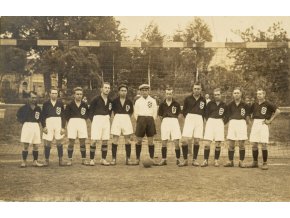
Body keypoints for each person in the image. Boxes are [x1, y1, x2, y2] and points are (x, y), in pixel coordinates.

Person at [248, 88, 280, 170]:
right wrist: (250, 122)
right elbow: (249, 113)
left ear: (264, 94)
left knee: (264, 144)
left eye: (260, 94)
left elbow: (278, 111)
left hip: (263, 124)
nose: (258, 95)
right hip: (255, 123)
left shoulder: (268, 103)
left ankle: (265, 163)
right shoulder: (254, 104)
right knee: (254, 144)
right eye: (257, 94)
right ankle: (255, 162)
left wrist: (270, 120)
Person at [179, 82, 206, 167]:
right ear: (192, 89)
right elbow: (184, 111)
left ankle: (194, 160)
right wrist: (188, 118)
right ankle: (185, 160)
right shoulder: (188, 99)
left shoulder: (203, 100)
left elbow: (204, 111)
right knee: (184, 140)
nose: (196, 90)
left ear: (201, 90)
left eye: (198, 89)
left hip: (199, 119)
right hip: (189, 118)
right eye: (195, 88)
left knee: (197, 141)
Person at [224, 87, 250, 168]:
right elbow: (227, 116)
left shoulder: (245, 105)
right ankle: (230, 161)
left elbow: (247, 116)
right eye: (234, 93)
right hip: (232, 123)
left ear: (241, 94)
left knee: (242, 144)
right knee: (231, 144)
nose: (236, 94)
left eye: (237, 93)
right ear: (233, 94)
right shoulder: (229, 105)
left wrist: (247, 124)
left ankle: (241, 161)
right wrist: (223, 124)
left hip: (241, 123)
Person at [16, 91, 43, 167]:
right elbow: (18, 116)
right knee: (26, 145)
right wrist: (23, 122)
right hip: (27, 125)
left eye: (35, 98)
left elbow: (41, 118)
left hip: (35, 126)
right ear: (28, 98)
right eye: (32, 97)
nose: (34, 99)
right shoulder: (23, 108)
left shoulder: (38, 108)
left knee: (36, 145)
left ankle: (35, 161)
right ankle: (24, 161)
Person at [202, 88, 228, 167]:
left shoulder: (224, 105)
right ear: (213, 95)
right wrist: (208, 120)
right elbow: (206, 113)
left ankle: (216, 160)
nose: (216, 96)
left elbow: (227, 116)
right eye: (215, 95)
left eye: (218, 94)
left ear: (221, 95)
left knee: (218, 143)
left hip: (219, 122)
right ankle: (205, 160)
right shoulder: (210, 103)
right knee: (207, 143)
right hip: (211, 122)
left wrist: (222, 122)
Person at [64, 87, 90, 166]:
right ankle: (69, 159)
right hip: (72, 122)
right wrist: (71, 122)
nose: (79, 95)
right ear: (74, 95)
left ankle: (84, 159)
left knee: (82, 141)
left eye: (80, 94)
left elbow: (87, 114)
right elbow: (66, 115)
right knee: (71, 141)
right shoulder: (70, 104)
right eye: (77, 94)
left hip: (82, 122)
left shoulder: (84, 104)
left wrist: (82, 119)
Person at [89, 82, 113, 166]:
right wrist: (94, 121)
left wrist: (107, 118)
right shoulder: (95, 99)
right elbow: (90, 111)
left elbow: (110, 111)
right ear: (101, 89)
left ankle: (103, 159)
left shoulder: (110, 100)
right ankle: (92, 159)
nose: (107, 89)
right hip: (97, 119)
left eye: (108, 88)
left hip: (106, 120)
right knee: (94, 141)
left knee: (105, 140)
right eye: (105, 87)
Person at [157, 86, 182, 166]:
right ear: (165, 94)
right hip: (165, 121)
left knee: (176, 142)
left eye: (170, 94)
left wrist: (174, 121)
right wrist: (165, 121)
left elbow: (179, 115)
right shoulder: (162, 104)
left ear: (172, 94)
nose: (168, 95)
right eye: (167, 94)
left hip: (174, 121)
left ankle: (178, 159)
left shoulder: (176, 104)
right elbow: (160, 116)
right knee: (164, 141)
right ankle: (164, 159)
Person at [134, 84, 158, 165]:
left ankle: (151, 158)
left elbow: (155, 112)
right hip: (140, 120)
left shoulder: (153, 100)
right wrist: (140, 120)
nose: (144, 92)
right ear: (140, 91)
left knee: (150, 141)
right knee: (139, 141)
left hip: (150, 120)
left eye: (146, 90)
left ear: (148, 91)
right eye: (143, 90)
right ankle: (137, 159)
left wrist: (151, 119)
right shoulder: (137, 101)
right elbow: (135, 113)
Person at [110, 84, 134, 165]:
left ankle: (128, 159)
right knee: (115, 139)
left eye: (125, 91)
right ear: (119, 92)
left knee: (127, 140)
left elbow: (131, 113)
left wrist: (125, 118)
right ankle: (113, 159)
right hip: (117, 118)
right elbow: (112, 111)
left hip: (126, 118)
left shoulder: (129, 101)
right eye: (122, 90)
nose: (123, 92)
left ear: (127, 92)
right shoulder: (114, 101)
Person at [41, 88, 66, 166]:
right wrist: (44, 126)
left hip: (58, 122)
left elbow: (63, 116)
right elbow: (42, 116)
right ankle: (46, 160)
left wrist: (63, 127)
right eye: (52, 93)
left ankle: (61, 160)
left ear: (57, 94)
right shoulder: (46, 103)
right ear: (49, 94)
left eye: (55, 93)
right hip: (49, 122)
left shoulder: (60, 103)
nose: (54, 95)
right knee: (47, 142)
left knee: (59, 142)